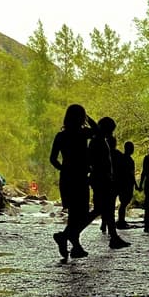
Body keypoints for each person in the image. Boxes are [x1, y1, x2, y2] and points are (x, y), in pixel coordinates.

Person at [49, 104, 97, 260]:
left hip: (67, 177)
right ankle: (65, 237)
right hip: (81, 177)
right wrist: (88, 118)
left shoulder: (61, 136)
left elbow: (53, 159)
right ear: (82, 117)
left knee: (74, 214)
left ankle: (75, 246)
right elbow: (98, 131)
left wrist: (64, 168)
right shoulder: (83, 133)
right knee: (82, 214)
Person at [87, 117, 130, 249]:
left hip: (101, 179)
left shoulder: (99, 140)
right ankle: (69, 233)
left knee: (105, 209)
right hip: (102, 179)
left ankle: (114, 237)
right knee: (103, 209)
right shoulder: (98, 141)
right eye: (110, 130)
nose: (111, 133)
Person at [114, 140, 137, 230]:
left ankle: (120, 220)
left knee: (122, 203)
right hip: (127, 184)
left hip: (119, 183)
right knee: (124, 203)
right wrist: (136, 185)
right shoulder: (130, 160)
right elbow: (131, 174)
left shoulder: (120, 158)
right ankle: (121, 221)